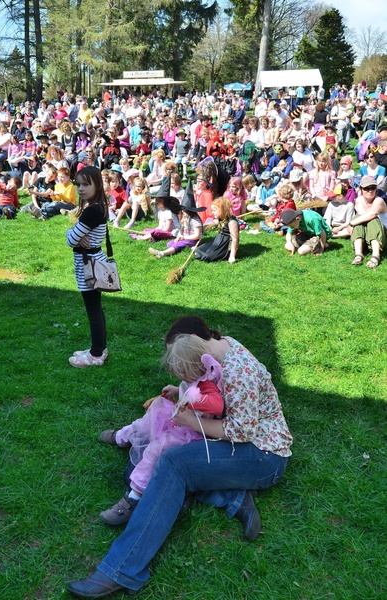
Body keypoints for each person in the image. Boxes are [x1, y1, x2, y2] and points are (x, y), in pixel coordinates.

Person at [67, 316, 293, 599]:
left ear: (195, 347)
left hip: (263, 456)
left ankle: (122, 569)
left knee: (173, 462)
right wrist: (182, 393)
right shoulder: (219, 349)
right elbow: (213, 391)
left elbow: (242, 431)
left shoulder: (239, 369)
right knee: (160, 457)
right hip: (240, 446)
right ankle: (232, 497)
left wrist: (190, 421)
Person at [99, 337, 224, 525]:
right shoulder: (194, 378)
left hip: (192, 434)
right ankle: (121, 437)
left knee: (157, 447)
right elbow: (190, 386)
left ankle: (134, 496)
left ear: (192, 368)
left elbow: (217, 406)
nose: (180, 378)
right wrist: (177, 389)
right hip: (180, 421)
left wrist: (193, 400)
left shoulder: (208, 384)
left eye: (181, 374)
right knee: (155, 410)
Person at [66, 167, 110, 368]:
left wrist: (73, 233)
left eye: (86, 184)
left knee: (93, 310)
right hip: (92, 260)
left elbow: (71, 239)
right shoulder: (98, 206)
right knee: (96, 308)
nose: (81, 189)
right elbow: (76, 237)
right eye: (78, 184)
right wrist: (76, 234)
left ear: (97, 185)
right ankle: (100, 347)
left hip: (89, 266)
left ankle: (96, 354)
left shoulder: (92, 211)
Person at [148, 180, 204, 259]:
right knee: (170, 244)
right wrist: (180, 236)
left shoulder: (195, 219)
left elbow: (197, 235)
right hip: (186, 237)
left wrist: (184, 238)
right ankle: (182, 247)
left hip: (194, 240)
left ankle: (162, 253)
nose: (183, 211)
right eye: (182, 209)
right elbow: (182, 231)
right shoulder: (184, 217)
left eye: (185, 210)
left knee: (178, 244)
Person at [349, 175, 387, 268]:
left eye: (373, 188)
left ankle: (376, 255)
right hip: (366, 236)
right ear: (361, 189)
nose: (370, 191)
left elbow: (372, 214)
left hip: (382, 237)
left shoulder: (379, 200)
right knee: (359, 218)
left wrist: (351, 223)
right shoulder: (359, 200)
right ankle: (358, 254)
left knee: (372, 219)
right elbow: (362, 219)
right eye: (366, 188)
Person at [194, 197, 239, 263]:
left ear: (223, 210)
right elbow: (216, 223)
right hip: (218, 240)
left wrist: (232, 256)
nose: (212, 213)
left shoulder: (232, 222)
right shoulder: (221, 218)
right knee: (199, 249)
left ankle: (221, 254)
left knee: (208, 256)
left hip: (225, 244)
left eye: (214, 210)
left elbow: (235, 239)